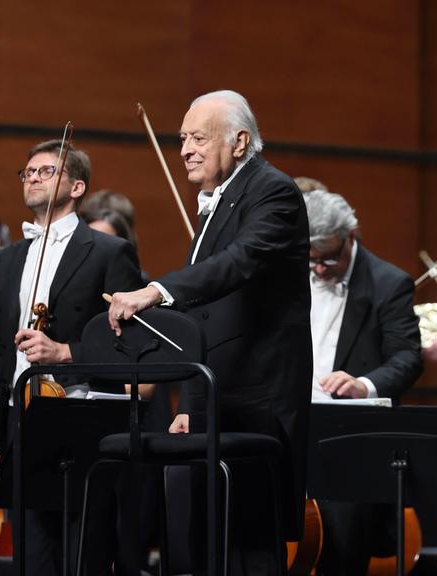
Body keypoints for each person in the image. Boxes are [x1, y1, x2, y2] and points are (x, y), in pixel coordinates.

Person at [107, 89, 312, 574]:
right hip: (219, 398)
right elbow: (208, 320)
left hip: (259, 400)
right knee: (208, 541)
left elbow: (237, 263)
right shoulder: (217, 201)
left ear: (239, 142)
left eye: (199, 138)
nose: (185, 150)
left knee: (251, 546)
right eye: (182, 139)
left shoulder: (273, 191)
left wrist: (154, 291)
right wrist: (192, 406)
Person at [0, 139, 143, 575]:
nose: (33, 177)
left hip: (81, 415)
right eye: (27, 172)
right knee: (31, 554)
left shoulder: (109, 252)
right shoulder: (7, 260)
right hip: (22, 416)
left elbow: (130, 348)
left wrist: (66, 352)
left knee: (82, 552)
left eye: (46, 171)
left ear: (77, 187)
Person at [303, 189, 422, 575]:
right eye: (312, 259)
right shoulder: (291, 276)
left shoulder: (388, 283)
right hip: (293, 427)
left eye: (329, 258)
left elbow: (408, 357)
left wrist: (364, 385)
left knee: (341, 550)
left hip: (348, 435)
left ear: (350, 236)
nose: (320, 269)